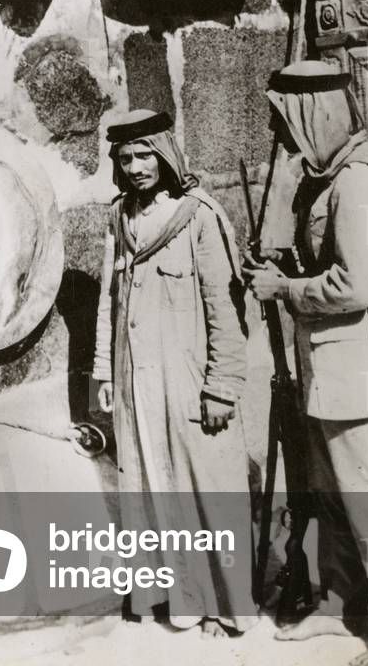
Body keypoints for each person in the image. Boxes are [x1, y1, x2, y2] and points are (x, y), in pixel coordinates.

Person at [242, 61, 368, 666]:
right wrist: (280, 265)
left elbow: (356, 286)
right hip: (322, 368)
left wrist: (286, 290)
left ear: (314, 114)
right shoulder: (321, 180)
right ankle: (341, 605)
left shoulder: (361, 182)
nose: (282, 137)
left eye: (286, 122)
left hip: (355, 368)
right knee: (331, 497)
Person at [93, 108, 258, 637]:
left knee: (207, 489)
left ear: (164, 154)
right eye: (126, 158)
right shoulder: (119, 217)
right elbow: (108, 302)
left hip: (189, 382)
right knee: (150, 487)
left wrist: (222, 387)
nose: (137, 166)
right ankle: (174, 599)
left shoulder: (199, 215)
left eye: (145, 155)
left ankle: (226, 607)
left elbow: (225, 311)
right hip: (136, 382)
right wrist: (104, 373)